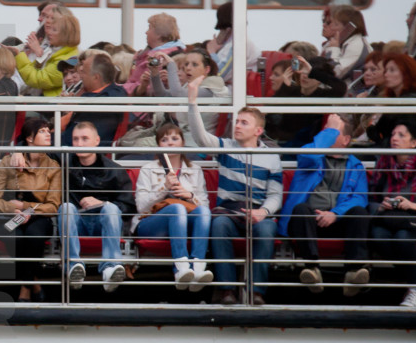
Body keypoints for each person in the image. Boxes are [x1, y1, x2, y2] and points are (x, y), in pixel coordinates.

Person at [186, 75, 283, 306]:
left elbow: (275, 195)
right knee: (219, 224)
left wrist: (263, 213)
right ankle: (227, 290)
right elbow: (200, 138)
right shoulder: (226, 147)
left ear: (258, 131)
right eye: (237, 121)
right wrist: (192, 101)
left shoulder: (271, 158)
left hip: (257, 211)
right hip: (228, 210)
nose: (237, 126)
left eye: (244, 123)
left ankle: (256, 292)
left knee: (268, 229)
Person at [278, 114, 370, 295]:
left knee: (359, 211)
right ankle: (312, 269)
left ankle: (354, 272)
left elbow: (360, 197)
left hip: (338, 221)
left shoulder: (356, 165)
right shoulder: (311, 157)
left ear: (346, 140)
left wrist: (335, 214)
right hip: (309, 221)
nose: (327, 134)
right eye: (325, 131)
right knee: (300, 209)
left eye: (334, 131)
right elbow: (307, 155)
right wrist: (330, 131)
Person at [366, 121, 416, 307]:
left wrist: (413, 205)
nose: (394, 138)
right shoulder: (383, 162)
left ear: (414, 142)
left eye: (401, 135)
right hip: (389, 220)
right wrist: (381, 205)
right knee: (377, 235)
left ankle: (415, 287)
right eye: (393, 134)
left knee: (402, 237)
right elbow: (370, 198)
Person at [132, 122, 213, 290]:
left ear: (183, 143)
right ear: (158, 145)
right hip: (151, 223)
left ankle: (198, 268)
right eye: (164, 140)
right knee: (177, 209)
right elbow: (141, 207)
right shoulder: (148, 169)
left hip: (185, 223)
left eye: (175, 138)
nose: (170, 143)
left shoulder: (195, 170)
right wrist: (164, 189)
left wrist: (189, 195)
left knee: (203, 211)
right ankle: (181, 268)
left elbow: (204, 205)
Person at [0, 118, 62, 302]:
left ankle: (24, 289)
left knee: (34, 236)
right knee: (14, 237)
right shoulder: (8, 161)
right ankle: (33, 281)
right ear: (29, 138)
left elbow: (53, 205)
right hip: (9, 215)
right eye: (42, 131)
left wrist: (26, 207)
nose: (48, 134)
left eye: (48, 131)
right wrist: (12, 208)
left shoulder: (52, 166)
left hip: (39, 216)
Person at [57, 122, 135, 293]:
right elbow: (41, 154)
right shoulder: (64, 165)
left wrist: (101, 203)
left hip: (104, 225)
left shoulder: (114, 170)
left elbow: (129, 207)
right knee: (67, 207)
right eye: (75, 139)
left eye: (85, 139)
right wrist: (18, 153)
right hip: (76, 225)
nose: (79, 144)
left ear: (97, 141)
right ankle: (73, 266)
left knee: (111, 208)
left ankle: (110, 267)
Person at [60, 51, 127, 147]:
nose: (80, 75)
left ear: (96, 77)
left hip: (81, 152)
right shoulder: (90, 94)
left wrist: (75, 105)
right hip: (68, 146)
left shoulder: (113, 95)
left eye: (84, 72)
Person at [6, 11, 81, 97]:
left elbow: (37, 79)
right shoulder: (55, 51)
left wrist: (18, 54)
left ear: (65, 34)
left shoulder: (66, 58)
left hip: (52, 105)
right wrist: (39, 55)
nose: (49, 33)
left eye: (54, 30)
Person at [125, 13, 186, 95]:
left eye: (149, 28)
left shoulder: (161, 59)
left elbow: (149, 88)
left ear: (159, 34)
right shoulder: (145, 55)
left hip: (149, 104)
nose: (146, 32)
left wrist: (121, 89)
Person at [206, 2, 260, 85]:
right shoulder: (229, 43)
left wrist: (212, 52)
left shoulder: (239, 43)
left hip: (232, 94)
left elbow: (219, 75)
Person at [321, 5, 371, 80]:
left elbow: (335, 73)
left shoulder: (356, 45)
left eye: (329, 23)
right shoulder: (331, 44)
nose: (324, 25)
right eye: (324, 21)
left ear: (348, 28)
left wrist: (333, 49)